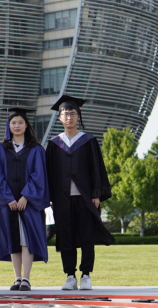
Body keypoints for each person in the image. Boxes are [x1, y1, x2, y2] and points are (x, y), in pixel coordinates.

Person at [46, 95, 114, 290]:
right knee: (65, 236)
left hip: (86, 198)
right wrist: (49, 198)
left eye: (72, 113)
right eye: (65, 114)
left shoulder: (88, 141)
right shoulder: (54, 144)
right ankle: (70, 276)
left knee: (87, 236)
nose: (69, 117)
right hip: (61, 199)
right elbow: (49, 172)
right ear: (59, 117)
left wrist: (96, 193)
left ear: (78, 116)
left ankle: (85, 275)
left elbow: (96, 169)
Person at [0, 108, 49, 291]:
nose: (17, 126)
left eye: (20, 122)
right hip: (8, 202)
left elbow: (39, 175)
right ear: (9, 126)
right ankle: (17, 277)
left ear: (26, 125)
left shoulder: (36, 149)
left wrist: (26, 196)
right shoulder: (0, 149)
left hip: (28, 203)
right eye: (13, 122)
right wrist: (8, 197)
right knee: (12, 239)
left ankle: (26, 278)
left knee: (27, 240)